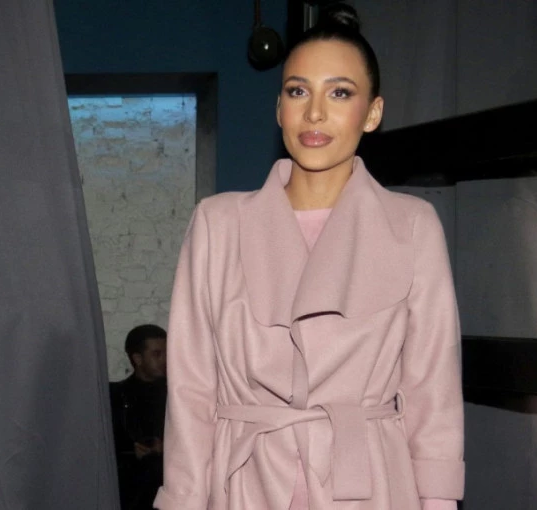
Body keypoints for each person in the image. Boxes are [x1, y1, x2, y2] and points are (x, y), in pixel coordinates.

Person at [153, 5, 464, 509]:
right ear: (279, 108)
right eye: (298, 91)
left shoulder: (410, 225)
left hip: (368, 486)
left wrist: (439, 501)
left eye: (340, 93)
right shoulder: (218, 223)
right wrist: (183, 499)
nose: (314, 113)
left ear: (373, 112)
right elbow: (191, 390)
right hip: (246, 484)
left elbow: (433, 388)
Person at [110, 324, 168, 510]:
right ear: (137, 358)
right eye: (157, 354)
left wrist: (168, 448)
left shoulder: (180, 394)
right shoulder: (116, 396)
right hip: (133, 493)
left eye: (167, 352)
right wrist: (131, 451)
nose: (165, 359)